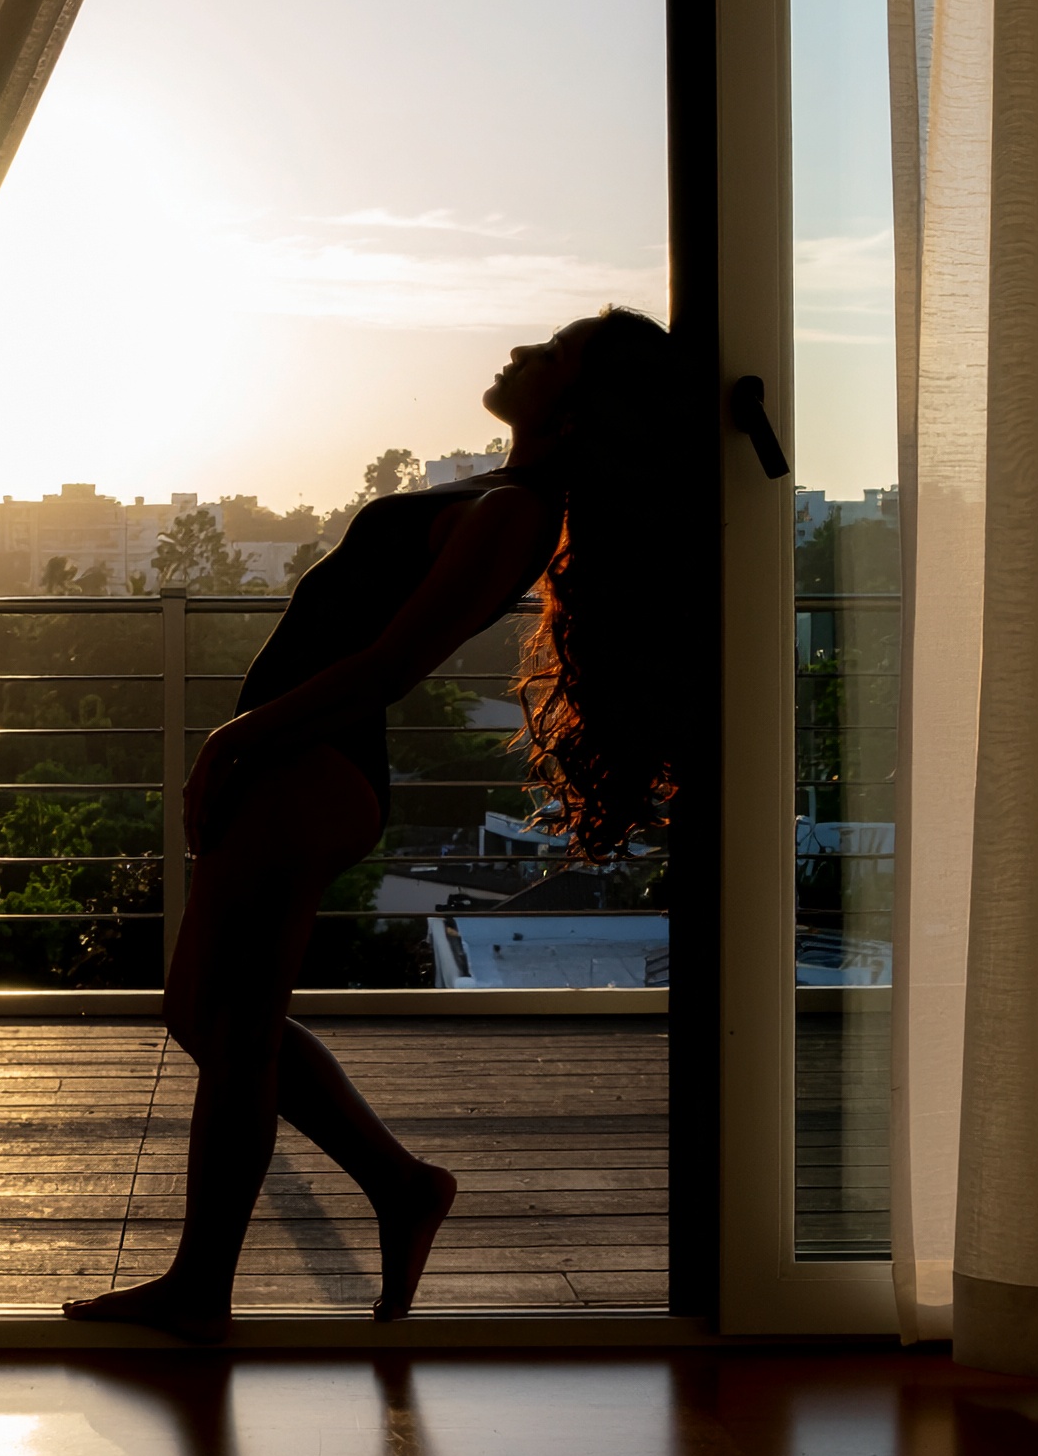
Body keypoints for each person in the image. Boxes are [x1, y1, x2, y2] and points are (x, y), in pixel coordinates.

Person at [64, 305, 679, 1341]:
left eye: (553, 355)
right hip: (298, 761)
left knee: (235, 1027)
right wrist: (251, 739)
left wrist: (239, 735)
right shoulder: (494, 493)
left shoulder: (519, 510)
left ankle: (201, 1288)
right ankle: (397, 1187)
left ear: (575, 411)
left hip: (310, 768)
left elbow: (396, 663)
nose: (523, 349)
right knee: (208, 1018)